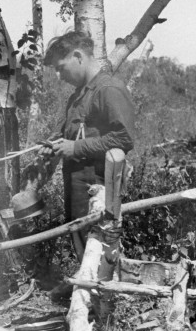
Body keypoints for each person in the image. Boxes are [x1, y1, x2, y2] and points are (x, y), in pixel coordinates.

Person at [40, 31, 137, 260]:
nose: (58, 76)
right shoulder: (78, 96)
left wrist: (75, 148)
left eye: (61, 67)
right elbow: (73, 134)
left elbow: (124, 138)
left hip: (99, 186)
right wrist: (53, 145)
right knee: (84, 248)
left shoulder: (108, 89)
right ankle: (86, 290)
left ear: (78, 56)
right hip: (78, 185)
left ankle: (98, 292)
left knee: (99, 249)